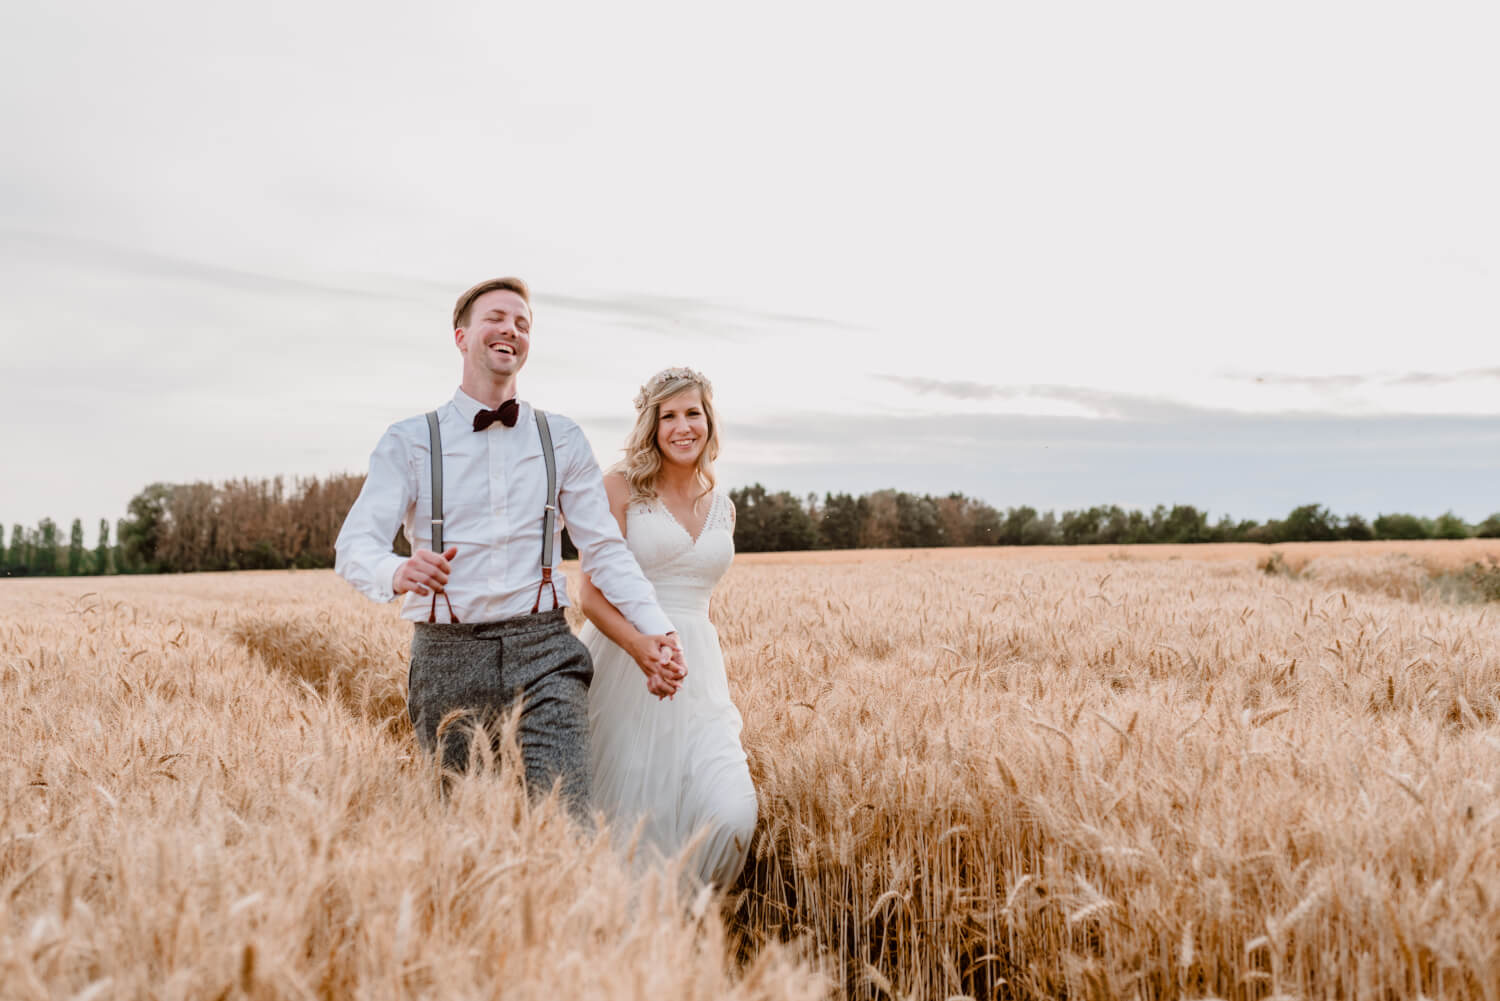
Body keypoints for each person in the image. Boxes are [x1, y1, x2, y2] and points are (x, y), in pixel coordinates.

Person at [334, 277, 685, 819]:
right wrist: (400, 569)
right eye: (497, 318)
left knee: (568, 826)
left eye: (523, 324)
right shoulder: (409, 441)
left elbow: (606, 550)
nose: (511, 331)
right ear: (462, 336)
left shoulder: (561, 438)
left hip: (546, 651)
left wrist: (657, 629)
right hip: (448, 655)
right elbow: (355, 546)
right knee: (466, 837)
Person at [578, 366, 758, 890]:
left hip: (698, 673)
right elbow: (589, 593)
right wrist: (641, 648)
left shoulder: (721, 506)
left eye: (693, 413)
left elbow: (698, 601)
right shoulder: (617, 489)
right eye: (669, 415)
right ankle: (631, 948)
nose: (683, 426)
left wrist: (686, 657)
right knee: (630, 821)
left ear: (709, 421)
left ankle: (692, 917)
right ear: (652, 426)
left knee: (732, 815)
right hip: (623, 666)